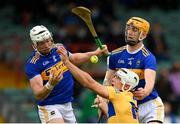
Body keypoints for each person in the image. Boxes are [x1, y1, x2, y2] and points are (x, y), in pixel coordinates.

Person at [25, 25, 108, 123]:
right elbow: (38, 94)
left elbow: (74, 58)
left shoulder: (59, 48)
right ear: (34, 45)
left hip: (67, 104)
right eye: (41, 43)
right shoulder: (33, 64)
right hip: (49, 106)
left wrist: (95, 53)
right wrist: (50, 84)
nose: (47, 45)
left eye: (48, 41)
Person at [101, 17, 165, 123]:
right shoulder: (115, 55)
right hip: (127, 108)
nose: (129, 33)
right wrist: (102, 99)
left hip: (149, 105)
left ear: (143, 35)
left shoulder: (148, 57)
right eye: (128, 29)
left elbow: (150, 82)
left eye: (135, 30)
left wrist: (145, 92)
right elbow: (107, 81)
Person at [57, 46, 140, 123]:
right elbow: (117, 117)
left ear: (126, 86)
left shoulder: (118, 93)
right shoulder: (130, 99)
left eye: (118, 78)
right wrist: (103, 104)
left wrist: (67, 62)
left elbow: (88, 83)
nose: (113, 79)